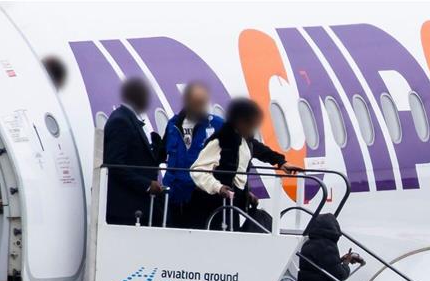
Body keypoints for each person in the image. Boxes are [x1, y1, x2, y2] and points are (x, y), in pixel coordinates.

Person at [191, 97, 295, 231]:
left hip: (232, 203)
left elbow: (261, 151)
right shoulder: (221, 141)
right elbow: (198, 170)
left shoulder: (246, 141)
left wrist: (281, 163)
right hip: (215, 205)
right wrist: (218, 187)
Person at [158, 82, 224, 228]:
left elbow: (233, 158)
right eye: (196, 103)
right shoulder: (173, 125)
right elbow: (161, 154)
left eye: (202, 103)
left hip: (202, 197)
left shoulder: (217, 126)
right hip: (175, 198)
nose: (200, 107)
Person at [103, 78, 162, 225]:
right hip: (126, 209)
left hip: (138, 206)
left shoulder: (132, 119)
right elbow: (115, 164)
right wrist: (147, 184)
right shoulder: (121, 121)